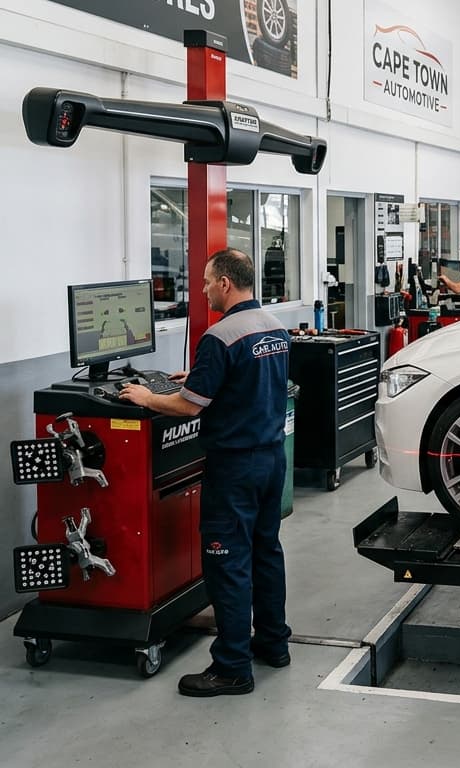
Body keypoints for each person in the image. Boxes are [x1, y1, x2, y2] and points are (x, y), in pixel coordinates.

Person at [119, 248, 293, 697]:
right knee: (265, 551)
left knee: (227, 560)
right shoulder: (275, 327)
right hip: (273, 459)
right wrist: (198, 376)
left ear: (224, 285)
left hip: (235, 466)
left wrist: (145, 397)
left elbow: (186, 406)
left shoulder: (220, 336)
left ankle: (232, 667)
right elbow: (248, 384)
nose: (201, 290)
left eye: (205, 281)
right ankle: (273, 643)